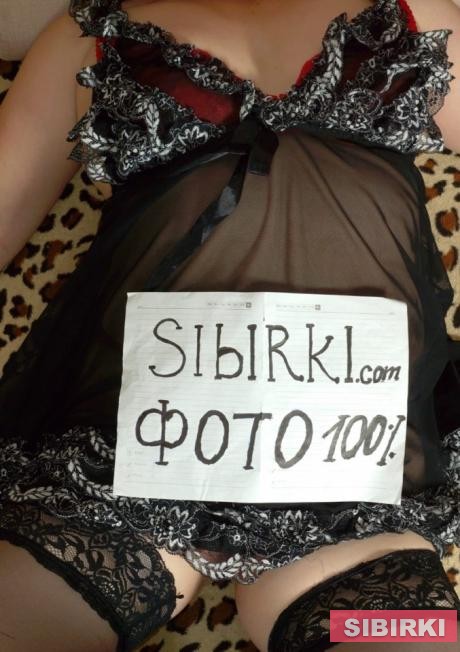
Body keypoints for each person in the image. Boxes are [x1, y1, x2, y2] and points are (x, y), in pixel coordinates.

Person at [0, 0, 460, 650]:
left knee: (413, 639)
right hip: (121, 468)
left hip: (360, 485)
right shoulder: (89, 33)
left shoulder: (414, 16)